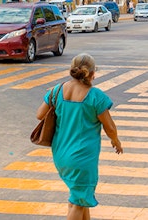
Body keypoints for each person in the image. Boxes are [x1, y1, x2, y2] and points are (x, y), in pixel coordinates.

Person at [36, 53, 122, 220]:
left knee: (79, 198)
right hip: (82, 158)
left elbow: (40, 114)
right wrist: (116, 141)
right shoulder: (95, 96)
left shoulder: (57, 90)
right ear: (92, 73)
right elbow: (109, 127)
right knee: (78, 202)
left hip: (61, 154)